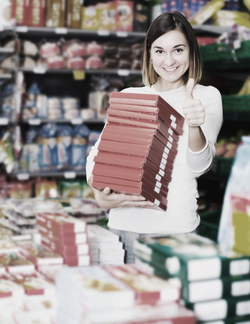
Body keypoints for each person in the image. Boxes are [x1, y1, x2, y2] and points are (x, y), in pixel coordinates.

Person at [86, 11, 223, 263]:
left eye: (178, 50)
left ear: (191, 51)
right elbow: (98, 156)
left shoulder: (206, 96)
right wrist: (96, 188)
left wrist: (193, 126)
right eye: (159, 51)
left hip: (175, 232)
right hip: (122, 228)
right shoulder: (130, 95)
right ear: (149, 55)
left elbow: (199, 167)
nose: (168, 60)